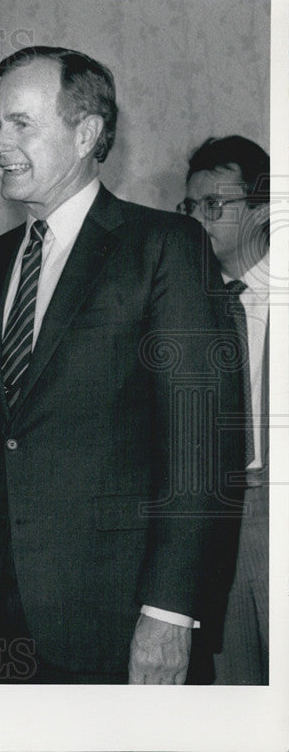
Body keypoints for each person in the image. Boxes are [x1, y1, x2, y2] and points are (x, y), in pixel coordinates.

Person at [0, 47, 244, 683]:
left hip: (118, 616)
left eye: (20, 124)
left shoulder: (165, 248)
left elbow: (200, 446)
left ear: (86, 133)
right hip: (0, 614)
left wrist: (170, 611)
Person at [182, 135, 270, 684]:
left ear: (262, 210)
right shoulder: (186, 304)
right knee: (232, 685)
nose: (198, 220)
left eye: (215, 205)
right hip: (215, 519)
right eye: (191, 207)